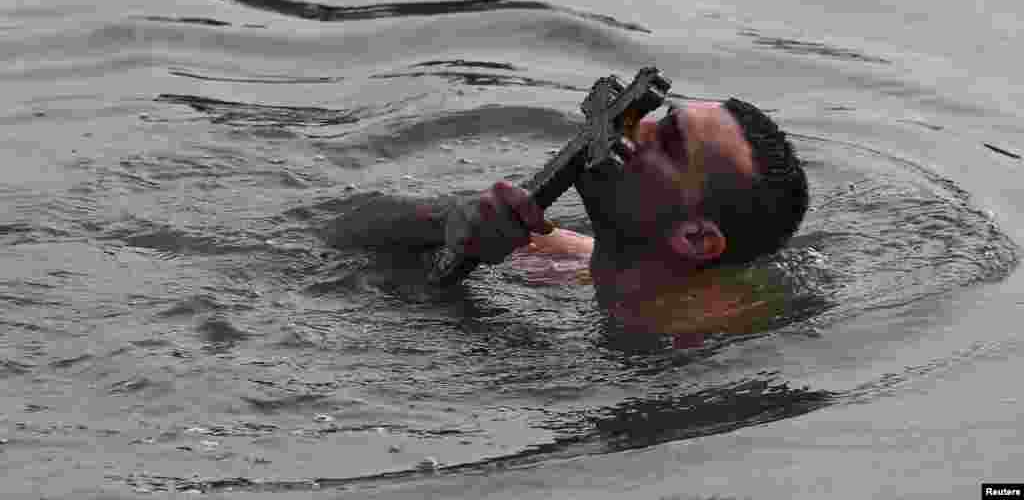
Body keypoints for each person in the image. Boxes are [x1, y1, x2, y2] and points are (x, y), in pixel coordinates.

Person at [325, 98, 808, 342]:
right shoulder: (561, 259)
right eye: (653, 116)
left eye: (666, 141)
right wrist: (446, 224)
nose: (628, 126)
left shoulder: (691, 346)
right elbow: (334, 230)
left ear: (696, 238)